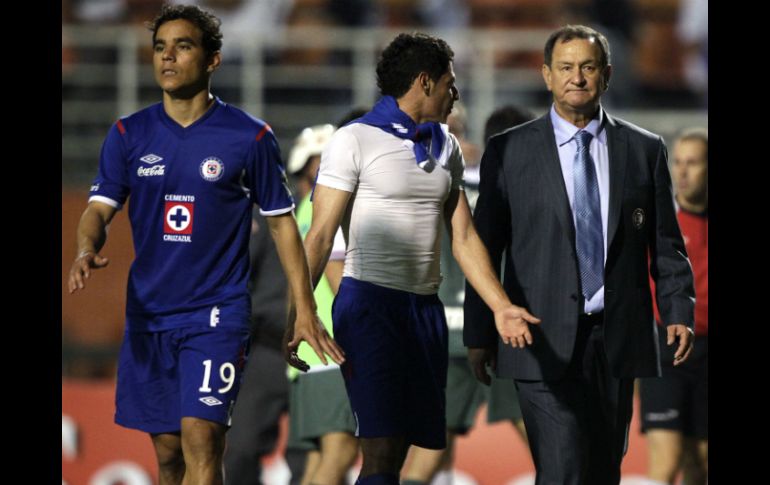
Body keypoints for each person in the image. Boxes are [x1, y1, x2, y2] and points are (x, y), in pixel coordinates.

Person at [67, 5, 343, 484]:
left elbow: (282, 225)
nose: (167, 57)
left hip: (217, 313)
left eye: (183, 46)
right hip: (151, 313)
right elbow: (98, 210)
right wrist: (85, 249)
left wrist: (304, 307)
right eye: (159, 47)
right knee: (169, 452)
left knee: (202, 437)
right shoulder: (129, 134)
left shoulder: (249, 136)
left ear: (213, 59)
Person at [289, 32, 540, 485]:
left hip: (425, 311)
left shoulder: (443, 144)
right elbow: (321, 234)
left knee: (405, 449)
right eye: (450, 82)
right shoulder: (353, 139)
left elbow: (462, 236)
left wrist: (501, 306)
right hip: (371, 305)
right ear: (425, 82)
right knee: (381, 449)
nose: (456, 93)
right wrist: (301, 311)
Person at [464, 24, 696, 485]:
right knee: (563, 467)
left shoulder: (644, 149)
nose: (577, 78)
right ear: (546, 75)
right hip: (537, 337)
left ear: (606, 75)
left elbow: (666, 243)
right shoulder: (509, 150)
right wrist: (479, 331)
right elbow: (484, 246)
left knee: (601, 470)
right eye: (566, 67)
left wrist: (677, 310)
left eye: (588, 67)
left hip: (616, 338)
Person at [284, 124, 359, 485]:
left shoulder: (302, 210)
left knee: (316, 463)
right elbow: (337, 275)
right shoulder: (328, 206)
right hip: (331, 349)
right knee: (340, 451)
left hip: (310, 357)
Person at [639, 128, 708, 485]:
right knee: (665, 465)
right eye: (677, 162)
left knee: (701, 465)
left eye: (693, 163)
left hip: (707, 352)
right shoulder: (660, 220)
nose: (682, 172)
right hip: (667, 350)